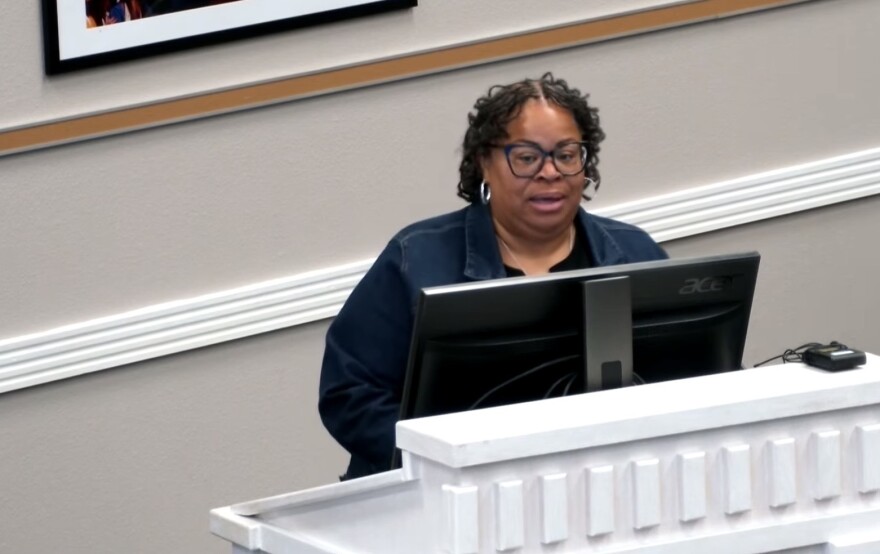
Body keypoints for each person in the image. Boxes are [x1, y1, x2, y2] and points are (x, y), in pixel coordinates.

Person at [319, 73, 668, 480]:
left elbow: (688, 376)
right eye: (526, 157)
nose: (550, 172)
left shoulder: (633, 253)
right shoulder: (416, 259)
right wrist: (445, 462)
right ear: (485, 162)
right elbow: (351, 395)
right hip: (446, 495)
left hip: (604, 483)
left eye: (567, 154)